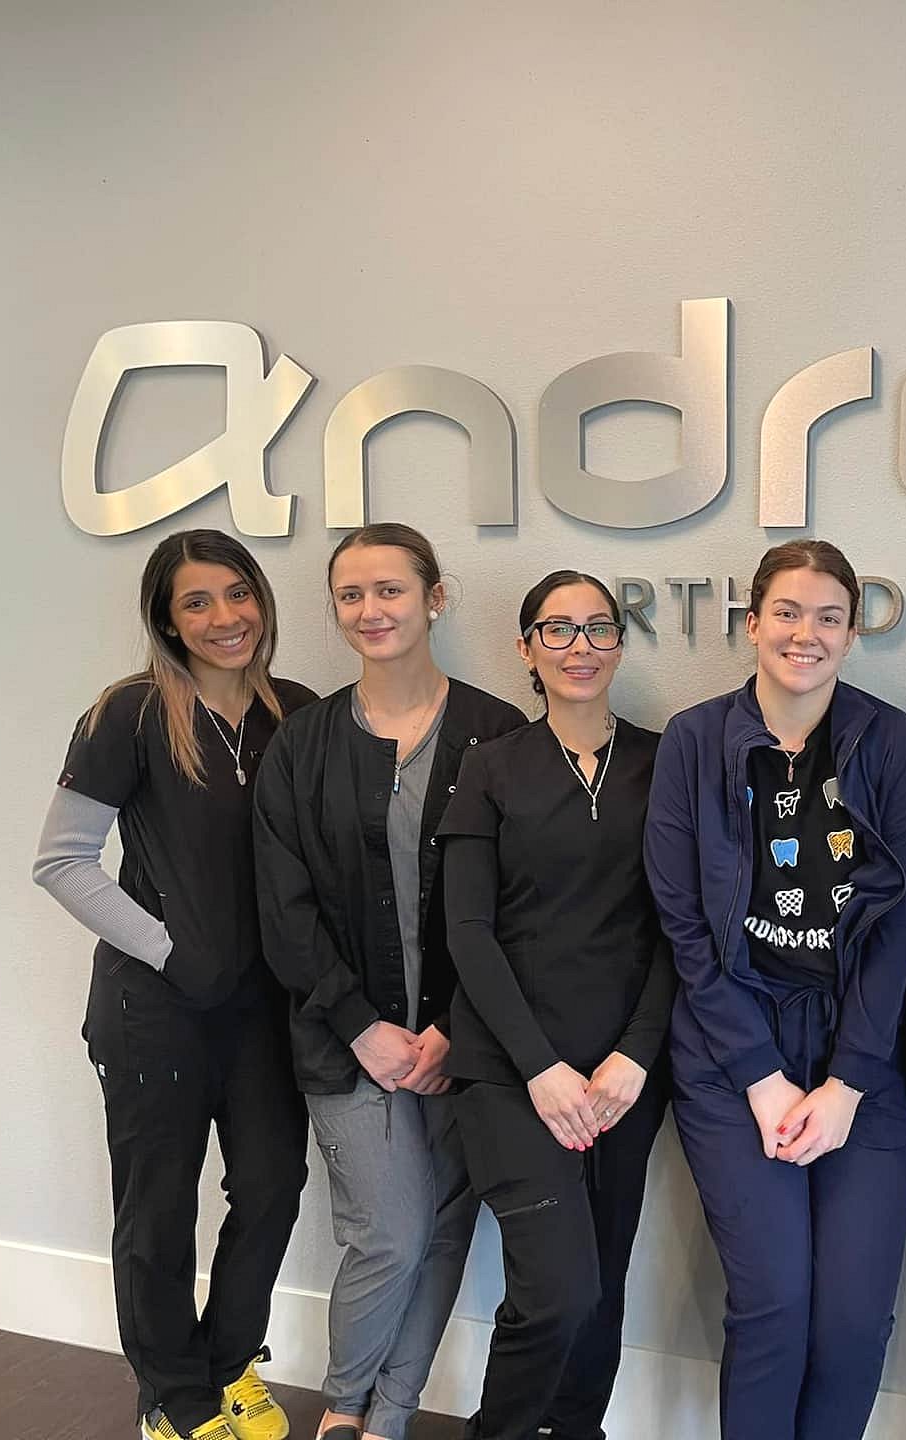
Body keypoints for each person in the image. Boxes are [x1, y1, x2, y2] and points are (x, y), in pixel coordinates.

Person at [644, 539, 906, 1440]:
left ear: (852, 634)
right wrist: (762, 1076)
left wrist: (848, 1080)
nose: (804, 634)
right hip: (734, 1054)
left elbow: (903, 918)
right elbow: (685, 923)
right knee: (774, 1304)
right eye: (787, 612)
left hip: (863, 1056)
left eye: (828, 617)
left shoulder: (890, 743)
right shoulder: (695, 740)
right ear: (753, 620)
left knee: (851, 1321)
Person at [34, 528, 313, 1440]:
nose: (224, 617)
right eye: (197, 601)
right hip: (153, 1007)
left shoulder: (297, 712)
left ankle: (228, 1365)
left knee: (271, 1186)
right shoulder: (131, 713)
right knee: (157, 1208)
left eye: (237, 594)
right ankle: (173, 1398)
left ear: (261, 600)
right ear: (167, 617)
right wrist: (170, 953)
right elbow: (62, 862)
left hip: (265, 1009)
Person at [252, 523, 526, 1440]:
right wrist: (363, 1025)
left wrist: (454, 1024)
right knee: (390, 1233)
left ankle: (391, 1418)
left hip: (463, 1041)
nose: (372, 610)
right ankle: (342, 1409)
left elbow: (521, 904)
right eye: (351, 595)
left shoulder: (496, 732)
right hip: (345, 1040)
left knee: (448, 1228)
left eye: (391, 591)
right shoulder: (302, 744)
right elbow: (284, 908)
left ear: (435, 597)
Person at [439, 570, 675, 1440]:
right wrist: (539, 1068)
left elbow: (680, 928)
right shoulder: (491, 766)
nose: (581, 646)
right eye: (559, 629)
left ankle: (576, 1429)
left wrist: (637, 1056)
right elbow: (467, 931)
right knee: (558, 1290)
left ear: (621, 641)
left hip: (626, 1076)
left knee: (603, 1282)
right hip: (510, 1076)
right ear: (526, 648)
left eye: (598, 628)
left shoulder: (664, 762)